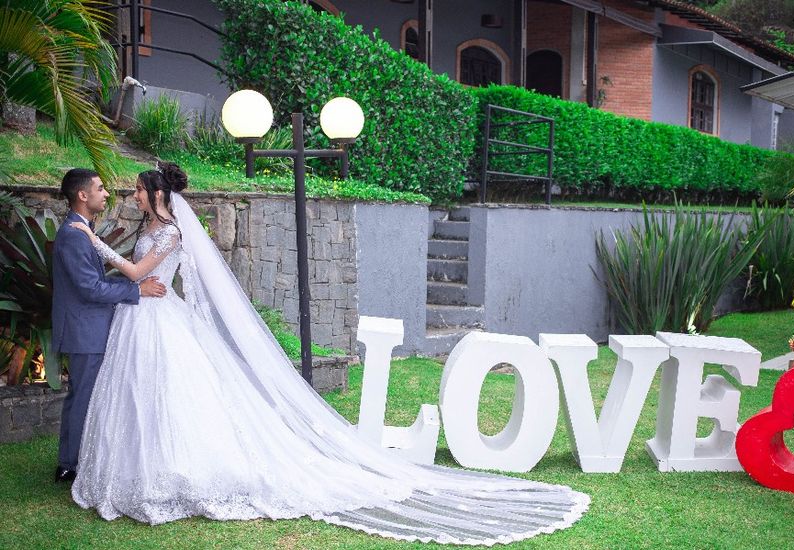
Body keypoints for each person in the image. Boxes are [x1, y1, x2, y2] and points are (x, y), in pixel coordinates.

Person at [67, 162, 589, 545]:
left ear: (155, 193)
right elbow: (138, 275)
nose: (131, 195)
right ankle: (143, 469)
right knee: (142, 396)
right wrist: (111, 253)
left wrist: (94, 242)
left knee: (172, 393)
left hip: (159, 316)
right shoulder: (149, 228)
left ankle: (178, 470)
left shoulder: (173, 230)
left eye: (137, 189)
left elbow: (138, 274)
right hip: (142, 318)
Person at [51, 168, 167, 483]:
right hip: (84, 330)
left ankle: (75, 460)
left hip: (90, 327)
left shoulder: (81, 230)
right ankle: (70, 465)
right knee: (84, 396)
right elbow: (90, 288)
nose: (107, 194)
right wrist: (136, 290)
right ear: (82, 195)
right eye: (100, 189)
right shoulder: (75, 234)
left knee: (86, 395)